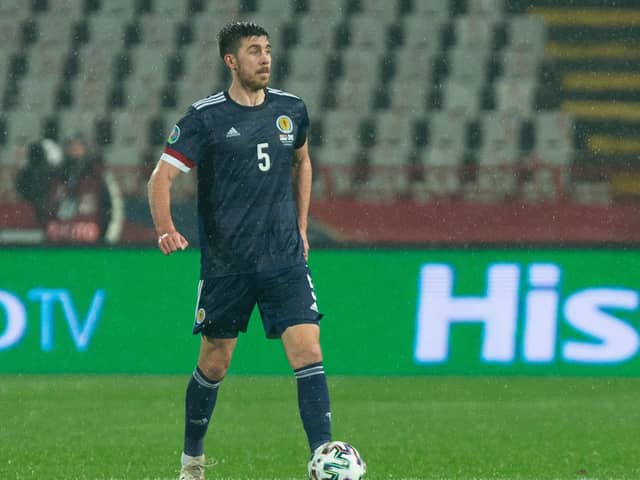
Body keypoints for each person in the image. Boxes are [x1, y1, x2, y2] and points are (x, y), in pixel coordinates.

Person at [147, 22, 331, 480]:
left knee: (308, 350)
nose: (265, 58)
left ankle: (323, 458)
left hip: (284, 258)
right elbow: (161, 178)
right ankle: (192, 459)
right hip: (228, 264)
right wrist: (166, 228)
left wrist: (302, 227)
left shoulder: (291, 109)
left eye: (267, 50)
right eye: (254, 51)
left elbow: (302, 161)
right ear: (231, 61)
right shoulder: (204, 118)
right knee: (216, 359)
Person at [44, 132, 123, 244]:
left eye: (78, 146)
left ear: (86, 149)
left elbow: (113, 210)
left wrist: (107, 241)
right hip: (59, 244)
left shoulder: (99, 176)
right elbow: (46, 208)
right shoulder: (56, 177)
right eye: (71, 146)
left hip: (90, 245)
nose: (74, 150)